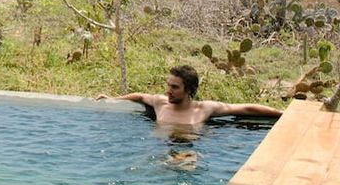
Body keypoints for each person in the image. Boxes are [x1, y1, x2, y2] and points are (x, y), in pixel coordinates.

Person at [108, 64, 282, 125]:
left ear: (189, 89)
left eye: (175, 87)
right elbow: (139, 96)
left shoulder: (204, 108)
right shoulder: (160, 103)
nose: (168, 91)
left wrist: (281, 113)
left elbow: (246, 108)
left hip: (189, 149)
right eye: (168, 86)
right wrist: (114, 100)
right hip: (160, 149)